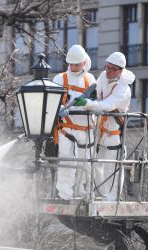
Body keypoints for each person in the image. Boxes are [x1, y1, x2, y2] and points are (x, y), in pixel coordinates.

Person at [73, 51, 135, 201]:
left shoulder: (123, 89)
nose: (108, 71)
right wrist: (90, 95)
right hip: (101, 131)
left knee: (112, 169)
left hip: (114, 134)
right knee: (96, 166)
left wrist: (87, 103)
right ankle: (97, 195)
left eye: (112, 69)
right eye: (107, 67)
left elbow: (107, 105)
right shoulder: (103, 76)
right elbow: (98, 92)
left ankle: (111, 200)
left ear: (121, 70)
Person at [52, 45, 96, 200]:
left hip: (86, 129)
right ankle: (65, 194)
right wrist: (60, 108)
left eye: (76, 64)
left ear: (84, 63)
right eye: (70, 64)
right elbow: (52, 102)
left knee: (87, 163)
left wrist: (86, 103)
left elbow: (95, 102)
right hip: (67, 129)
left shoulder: (90, 80)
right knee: (66, 160)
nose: (73, 67)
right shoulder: (60, 79)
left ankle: (85, 193)